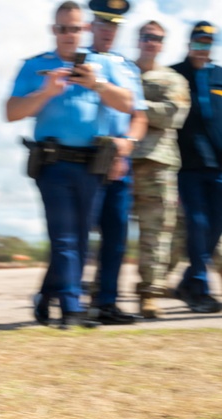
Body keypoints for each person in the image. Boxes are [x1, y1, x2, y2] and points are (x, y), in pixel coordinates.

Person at [5, 0, 134, 328]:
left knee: (78, 239)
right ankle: (72, 310)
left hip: (92, 166)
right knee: (65, 238)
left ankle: (46, 297)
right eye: (63, 28)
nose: (68, 34)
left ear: (85, 29)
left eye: (75, 28)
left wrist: (97, 84)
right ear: (54, 30)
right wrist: (46, 92)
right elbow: (11, 112)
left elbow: (129, 104)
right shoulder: (37, 66)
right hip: (53, 165)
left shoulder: (101, 67)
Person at [84, 0, 147, 325]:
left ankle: (106, 302)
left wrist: (127, 146)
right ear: (91, 24)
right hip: (84, 161)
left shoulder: (128, 68)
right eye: (103, 23)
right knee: (77, 237)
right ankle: (68, 299)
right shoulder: (79, 60)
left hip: (118, 163)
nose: (108, 30)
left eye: (114, 25)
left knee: (116, 238)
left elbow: (139, 116)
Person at [132, 20, 190, 318]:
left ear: (163, 43)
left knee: (158, 232)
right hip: (120, 160)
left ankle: (149, 295)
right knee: (108, 230)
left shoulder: (173, 79)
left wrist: (133, 104)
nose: (151, 42)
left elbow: (172, 116)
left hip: (159, 162)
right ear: (138, 40)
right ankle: (100, 292)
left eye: (156, 38)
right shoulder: (122, 71)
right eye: (146, 37)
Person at [169, 21, 222, 314]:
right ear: (189, 44)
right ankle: (199, 289)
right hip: (187, 166)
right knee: (198, 224)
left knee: (215, 227)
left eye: (208, 43)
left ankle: (188, 281)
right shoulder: (175, 74)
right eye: (198, 42)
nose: (203, 48)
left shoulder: (220, 76)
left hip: (218, 166)